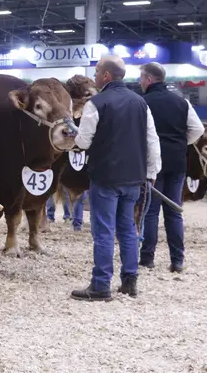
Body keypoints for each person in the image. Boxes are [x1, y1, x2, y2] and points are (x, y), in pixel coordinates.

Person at [70, 55, 161, 301]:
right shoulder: (141, 103)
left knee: (103, 231)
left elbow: (84, 141)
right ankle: (129, 281)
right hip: (134, 178)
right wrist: (151, 173)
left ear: (106, 76)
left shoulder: (96, 103)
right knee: (128, 229)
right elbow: (152, 140)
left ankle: (100, 285)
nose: (95, 75)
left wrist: (74, 135)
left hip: (105, 177)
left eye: (97, 71)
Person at [138, 62, 204, 273]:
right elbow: (197, 130)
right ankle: (177, 260)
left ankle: (147, 258)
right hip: (177, 162)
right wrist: (180, 142)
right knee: (174, 211)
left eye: (141, 78)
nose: (140, 82)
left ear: (149, 79)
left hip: (151, 163)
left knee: (150, 212)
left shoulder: (142, 102)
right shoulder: (182, 103)